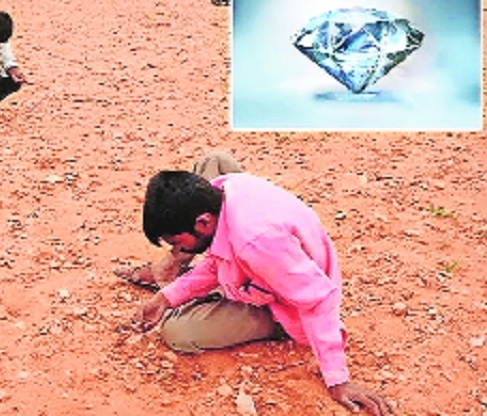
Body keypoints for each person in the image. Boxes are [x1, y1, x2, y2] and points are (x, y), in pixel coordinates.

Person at [123, 152, 393, 416]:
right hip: (274, 260)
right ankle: (171, 271)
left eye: (177, 244)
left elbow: (318, 299)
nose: (179, 249)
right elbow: (217, 260)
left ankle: (264, 320)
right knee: (214, 162)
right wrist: (166, 298)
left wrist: (338, 379)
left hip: (284, 304)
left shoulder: (255, 244)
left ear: (203, 222)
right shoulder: (227, 186)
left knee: (177, 332)